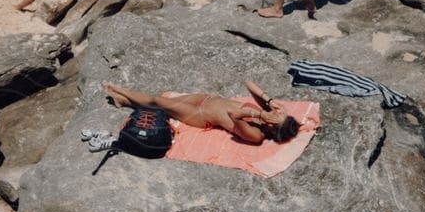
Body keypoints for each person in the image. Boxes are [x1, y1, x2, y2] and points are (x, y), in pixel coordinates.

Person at [102, 79, 299, 146]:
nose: (275, 112)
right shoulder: (266, 112)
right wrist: (269, 101)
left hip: (201, 116)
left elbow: (234, 116)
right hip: (205, 99)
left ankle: (119, 90)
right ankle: (124, 101)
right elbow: (249, 83)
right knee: (163, 104)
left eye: (278, 116)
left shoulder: (257, 135)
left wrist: (261, 115)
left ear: (274, 126)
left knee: (157, 101)